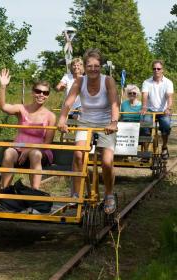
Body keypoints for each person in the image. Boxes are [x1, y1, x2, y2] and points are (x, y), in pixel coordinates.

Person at [57, 48, 119, 215]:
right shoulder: (79, 82)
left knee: (106, 161)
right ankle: (76, 194)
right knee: (78, 155)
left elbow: (115, 104)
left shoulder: (108, 81)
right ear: (84, 66)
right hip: (85, 122)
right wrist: (62, 119)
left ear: (101, 67)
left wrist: (113, 122)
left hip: (106, 123)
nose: (93, 69)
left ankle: (108, 194)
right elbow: (68, 103)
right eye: (90, 66)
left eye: (96, 66)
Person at [0, 68, 56, 190]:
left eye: (45, 93)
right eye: (38, 91)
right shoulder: (22, 109)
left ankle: (35, 193)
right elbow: (2, 107)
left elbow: (47, 143)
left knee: (35, 154)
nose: (41, 95)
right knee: (8, 152)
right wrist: (3, 86)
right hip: (19, 148)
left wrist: (30, 149)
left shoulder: (50, 116)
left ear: (48, 96)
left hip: (39, 151)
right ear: (33, 92)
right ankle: (5, 190)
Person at [141, 60, 174, 160]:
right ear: (152, 70)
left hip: (163, 111)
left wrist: (168, 108)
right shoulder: (147, 82)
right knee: (145, 126)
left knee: (166, 125)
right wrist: (144, 106)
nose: (156, 70)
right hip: (150, 110)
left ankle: (164, 147)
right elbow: (145, 96)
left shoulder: (168, 82)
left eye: (158, 68)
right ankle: (145, 152)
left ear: (162, 70)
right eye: (154, 68)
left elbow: (169, 97)